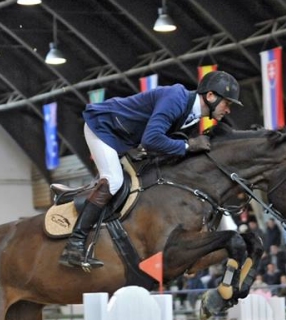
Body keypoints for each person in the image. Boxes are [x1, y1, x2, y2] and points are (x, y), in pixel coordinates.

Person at [59, 71, 243, 269]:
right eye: (228, 103)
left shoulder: (192, 115)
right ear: (211, 96)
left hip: (125, 139)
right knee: (114, 181)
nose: (228, 110)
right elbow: (151, 139)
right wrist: (188, 146)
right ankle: (74, 245)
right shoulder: (176, 99)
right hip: (104, 128)